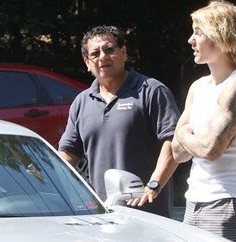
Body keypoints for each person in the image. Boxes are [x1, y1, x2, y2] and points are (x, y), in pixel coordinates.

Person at [58, 25, 181, 218]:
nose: (103, 57)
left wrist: (154, 185)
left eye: (109, 50)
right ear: (87, 62)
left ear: (124, 52)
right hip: (104, 213)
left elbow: (173, 142)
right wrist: (44, 171)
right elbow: (69, 153)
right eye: (95, 53)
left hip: (149, 213)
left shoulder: (151, 91)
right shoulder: (82, 102)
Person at [168, 0, 236, 242]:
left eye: (198, 32)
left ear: (221, 37)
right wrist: (187, 136)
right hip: (193, 201)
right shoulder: (198, 87)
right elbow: (177, 153)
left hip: (227, 202)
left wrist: (183, 132)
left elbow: (211, 149)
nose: (190, 40)